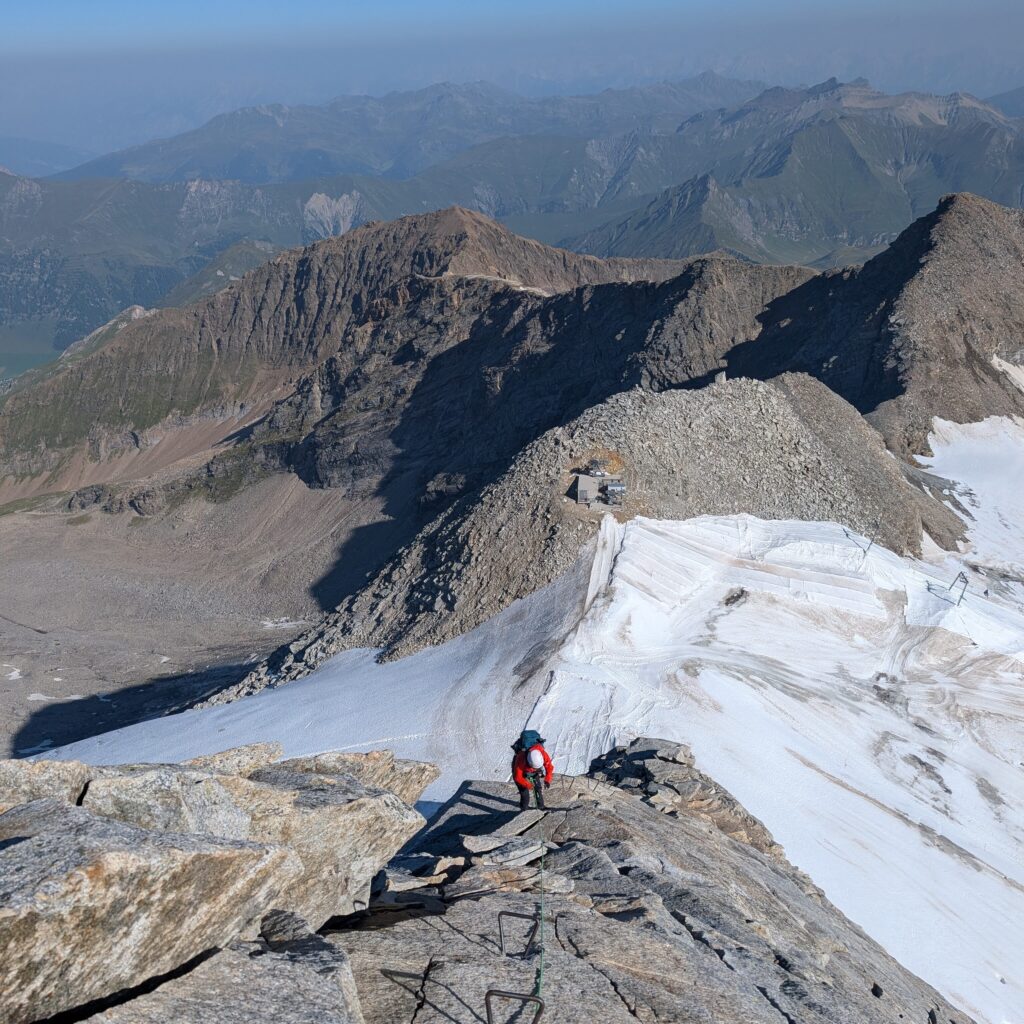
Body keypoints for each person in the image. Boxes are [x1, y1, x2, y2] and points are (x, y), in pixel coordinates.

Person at [511, 729, 554, 811]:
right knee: (524, 792)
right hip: (520, 769)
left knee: (538, 788)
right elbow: (517, 777)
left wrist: (547, 779)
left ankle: (541, 806)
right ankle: (524, 808)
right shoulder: (521, 758)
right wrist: (528, 785)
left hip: (531, 770)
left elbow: (549, 767)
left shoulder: (542, 754)